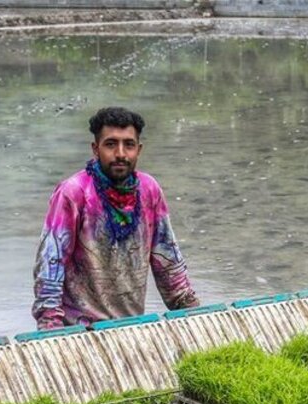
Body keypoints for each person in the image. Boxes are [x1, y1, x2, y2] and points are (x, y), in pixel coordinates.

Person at [32, 107, 200, 329]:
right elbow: (50, 265)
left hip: (131, 327)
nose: (120, 153)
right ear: (95, 149)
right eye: (111, 144)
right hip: (78, 330)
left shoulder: (149, 190)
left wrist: (194, 314)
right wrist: (51, 328)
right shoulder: (74, 193)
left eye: (128, 145)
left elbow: (167, 262)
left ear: (138, 150)